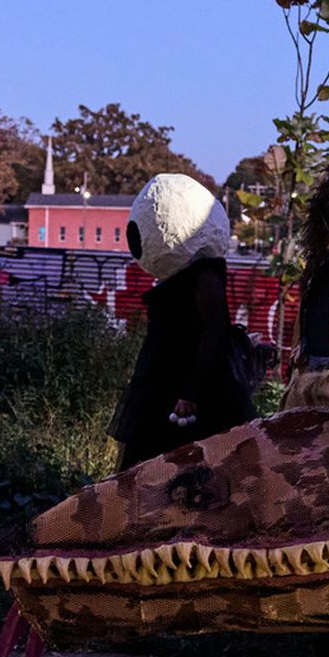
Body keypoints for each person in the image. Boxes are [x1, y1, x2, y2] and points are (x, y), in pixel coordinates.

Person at [108, 174, 257, 469]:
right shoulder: (190, 276)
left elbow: (214, 329)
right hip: (168, 381)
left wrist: (191, 392)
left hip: (186, 388)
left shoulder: (204, 276)